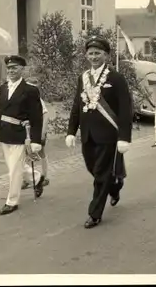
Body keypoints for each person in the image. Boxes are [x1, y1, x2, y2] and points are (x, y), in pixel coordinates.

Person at [66, 36, 133, 229]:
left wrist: (124, 138)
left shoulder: (116, 78)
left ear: (106, 55)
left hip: (108, 135)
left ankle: (94, 213)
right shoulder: (83, 77)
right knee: (93, 169)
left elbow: (124, 109)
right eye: (91, 53)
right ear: (86, 55)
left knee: (101, 174)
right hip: (88, 134)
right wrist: (71, 131)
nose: (94, 56)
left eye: (98, 53)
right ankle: (115, 185)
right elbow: (76, 106)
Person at [0, 55, 44, 215]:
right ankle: (37, 177)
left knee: (14, 170)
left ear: (22, 69)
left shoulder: (30, 90)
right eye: (9, 68)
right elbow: (0, 111)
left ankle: (12, 201)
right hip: (4, 133)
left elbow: (37, 116)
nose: (11, 70)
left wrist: (35, 140)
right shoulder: (3, 88)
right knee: (14, 166)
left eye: (14, 68)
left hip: (20, 134)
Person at [22, 76, 51, 192]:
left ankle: (44, 176)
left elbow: (45, 115)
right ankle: (27, 179)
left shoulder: (38, 100)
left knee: (41, 152)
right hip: (26, 131)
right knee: (26, 154)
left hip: (37, 130)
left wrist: (42, 133)